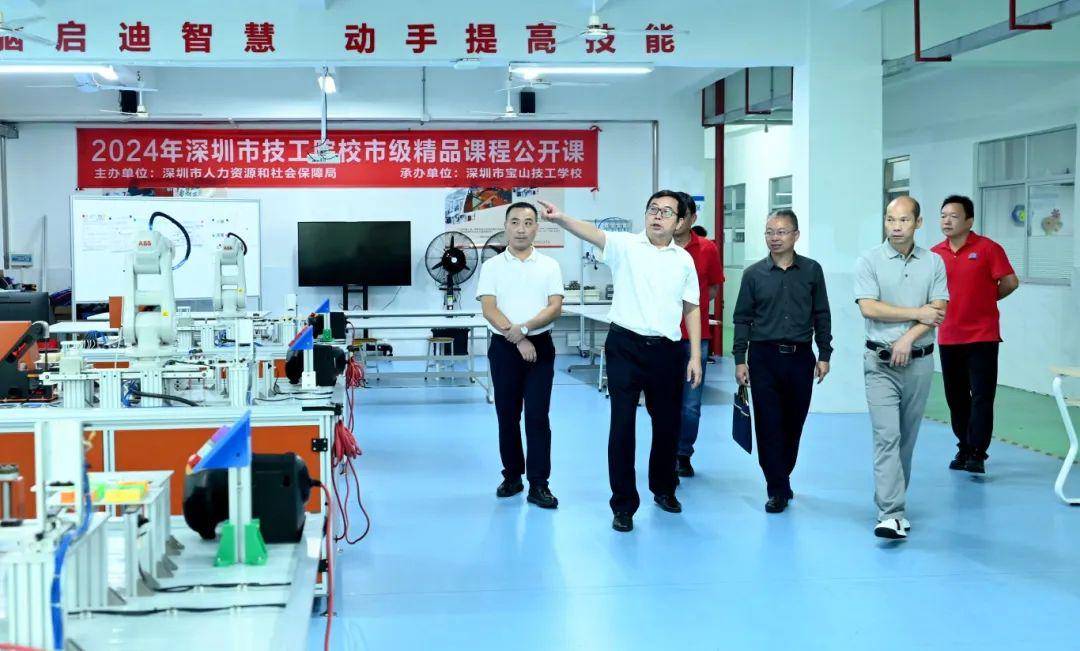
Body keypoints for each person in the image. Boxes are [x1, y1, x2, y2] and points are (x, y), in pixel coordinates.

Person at [538, 192, 702, 533]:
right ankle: (624, 505)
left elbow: (692, 307)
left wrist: (696, 357)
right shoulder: (625, 245)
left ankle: (664, 489)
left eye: (666, 212)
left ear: (679, 222)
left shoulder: (684, 260)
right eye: (653, 210)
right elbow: (592, 233)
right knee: (622, 425)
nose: (658, 216)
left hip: (667, 351)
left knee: (667, 425)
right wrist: (561, 218)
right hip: (625, 347)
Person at [855, 196, 949, 540]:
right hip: (880, 363)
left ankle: (895, 505)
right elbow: (869, 308)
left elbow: (938, 310)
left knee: (906, 441)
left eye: (904, 220)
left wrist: (908, 338)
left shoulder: (934, 263)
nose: (896, 227)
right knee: (887, 437)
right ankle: (890, 513)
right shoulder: (869, 260)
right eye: (890, 219)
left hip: (919, 363)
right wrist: (916, 313)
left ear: (918, 223)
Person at [732, 209, 831, 513]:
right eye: (769, 232)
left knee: (793, 424)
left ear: (795, 235)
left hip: (800, 358)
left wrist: (824, 354)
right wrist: (739, 359)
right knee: (768, 424)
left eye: (781, 232)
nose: (774, 238)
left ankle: (782, 475)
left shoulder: (812, 271)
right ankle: (776, 487)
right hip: (764, 357)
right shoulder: (753, 274)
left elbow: (822, 314)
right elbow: (742, 318)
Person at [476, 202, 564, 509]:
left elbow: (555, 307)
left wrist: (525, 330)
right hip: (504, 349)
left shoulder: (549, 266)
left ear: (537, 227)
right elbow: (489, 308)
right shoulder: (492, 267)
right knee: (507, 416)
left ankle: (539, 484)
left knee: (538, 417)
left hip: (541, 348)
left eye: (528, 222)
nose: (521, 229)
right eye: (514, 222)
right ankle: (512, 476)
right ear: (505, 227)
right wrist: (517, 338)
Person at [932, 195, 1019, 475]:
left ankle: (978, 452)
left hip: (983, 336)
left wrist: (986, 299)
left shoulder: (988, 248)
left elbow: (1010, 282)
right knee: (956, 397)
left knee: (981, 396)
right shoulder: (933, 254)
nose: (947, 221)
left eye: (954, 216)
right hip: (949, 336)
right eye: (943, 215)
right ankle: (964, 446)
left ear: (969, 221)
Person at [672, 192, 724, 478]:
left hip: (696, 338)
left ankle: (683, 454)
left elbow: (713, 288)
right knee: (663, 401)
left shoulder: (707, 249)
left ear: (693, 218)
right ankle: (665, 452)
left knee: (691, 403)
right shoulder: (657, 247)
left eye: (683, 216)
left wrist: (693, 310)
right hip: (662, 338)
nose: (678, 221)